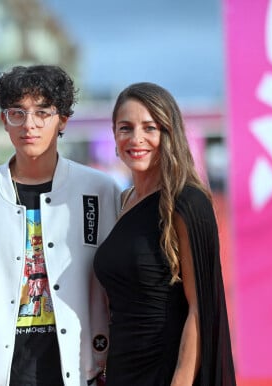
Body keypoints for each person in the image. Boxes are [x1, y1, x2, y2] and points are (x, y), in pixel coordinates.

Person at [0, 64, 121, 386]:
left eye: (43, 112)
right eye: (18, 113)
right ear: (5, 120)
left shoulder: (100, 191)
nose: (30, 124)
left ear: (63, 119)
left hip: (79, 371)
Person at [93, 82, 236, 385]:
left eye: (150, 127)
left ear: (169, 133)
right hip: (121, 371)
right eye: (125, 128)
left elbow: (201, 307)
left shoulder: (188, 202)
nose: (136, 139)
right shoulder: (121, 202)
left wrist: (180, 381)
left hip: (166, 370)